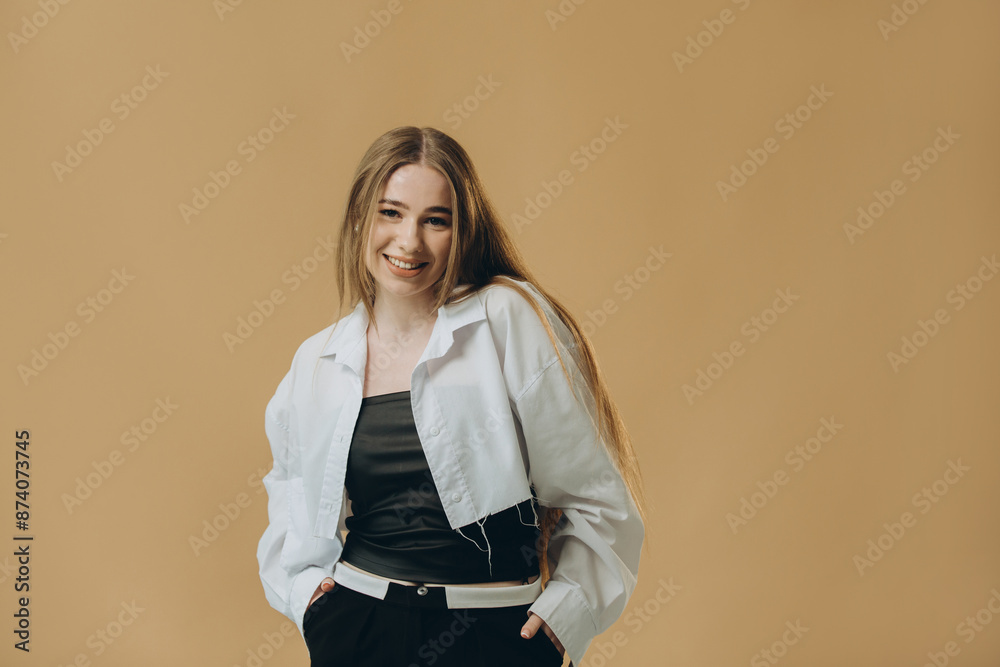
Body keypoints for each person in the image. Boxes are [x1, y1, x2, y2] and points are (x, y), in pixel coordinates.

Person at [256, 126, 648, 667]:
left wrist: (566, 615)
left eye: (435, 220)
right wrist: (311, 603)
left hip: (495, 635)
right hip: (359, 631)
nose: (409, 241)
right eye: (391, 213)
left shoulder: (507, 318)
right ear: (359, 219)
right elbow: (291, 491)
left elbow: (596, 494)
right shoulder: (317, 360)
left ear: (462, 232)